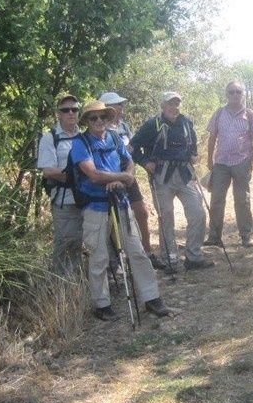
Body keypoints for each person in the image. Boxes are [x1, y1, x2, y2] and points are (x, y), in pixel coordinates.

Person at [70, 101, 172, 321]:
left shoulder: (115, 138)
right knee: (98, 256)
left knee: (136, 250)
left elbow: (129, 162)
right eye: (93, 118)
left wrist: (125, 178)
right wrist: (122, 178)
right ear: (86, 121)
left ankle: (151, 298)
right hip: (95, 205)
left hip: (120, 202)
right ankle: (101, 304)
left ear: (109, 118)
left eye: (102, 117)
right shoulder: (81, 142)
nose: (98, 121)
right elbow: (93, 174)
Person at [130, 91, 213, 271]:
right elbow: (132, 146)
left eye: (177, 104)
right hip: (161, 176)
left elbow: (193, 145)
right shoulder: (152, 124)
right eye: (170, 104)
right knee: (166, 217)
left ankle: (193, 256)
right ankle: (170, 259)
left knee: (198, 213)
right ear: (162, 105)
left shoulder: (186, 122)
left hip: (184, 174)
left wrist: (193, 155)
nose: (174, 107)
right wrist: (145, 162)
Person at [98, 91, 163, 269]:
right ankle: (118, 260)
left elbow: (134, 149)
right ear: (107, 108)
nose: (121, 107)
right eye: (117, 104)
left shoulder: (124, 127)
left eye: (121, 104)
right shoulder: (98, 127)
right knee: (114, 220)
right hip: (109, 178)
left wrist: (142, 163)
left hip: (129, 176)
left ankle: (147, 252)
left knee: (141, 212)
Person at [205, 81, 253, 248]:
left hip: (241, 163)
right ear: (226, 94)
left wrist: (249, 159)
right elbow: (212, 137)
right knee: (216, 200)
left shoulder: (249, 114)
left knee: (242, 200)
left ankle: (246, 237)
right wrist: (209, 159)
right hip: (221, 163)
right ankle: (214, 237)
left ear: (243, 94)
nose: (235, 95)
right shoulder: (219, 113)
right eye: (231, 92)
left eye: (238, 92)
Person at [37, 93, 83, 276]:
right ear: (58, 113)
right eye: (66, 110)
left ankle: (79, 283)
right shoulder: (50, 138)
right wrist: (72, 175)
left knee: (83, 242)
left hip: (87, 198)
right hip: (65, 200)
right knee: (66, 242)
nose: (71, 113)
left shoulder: (84, 136)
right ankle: (61, 286)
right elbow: (48, 170)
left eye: (74, 109)